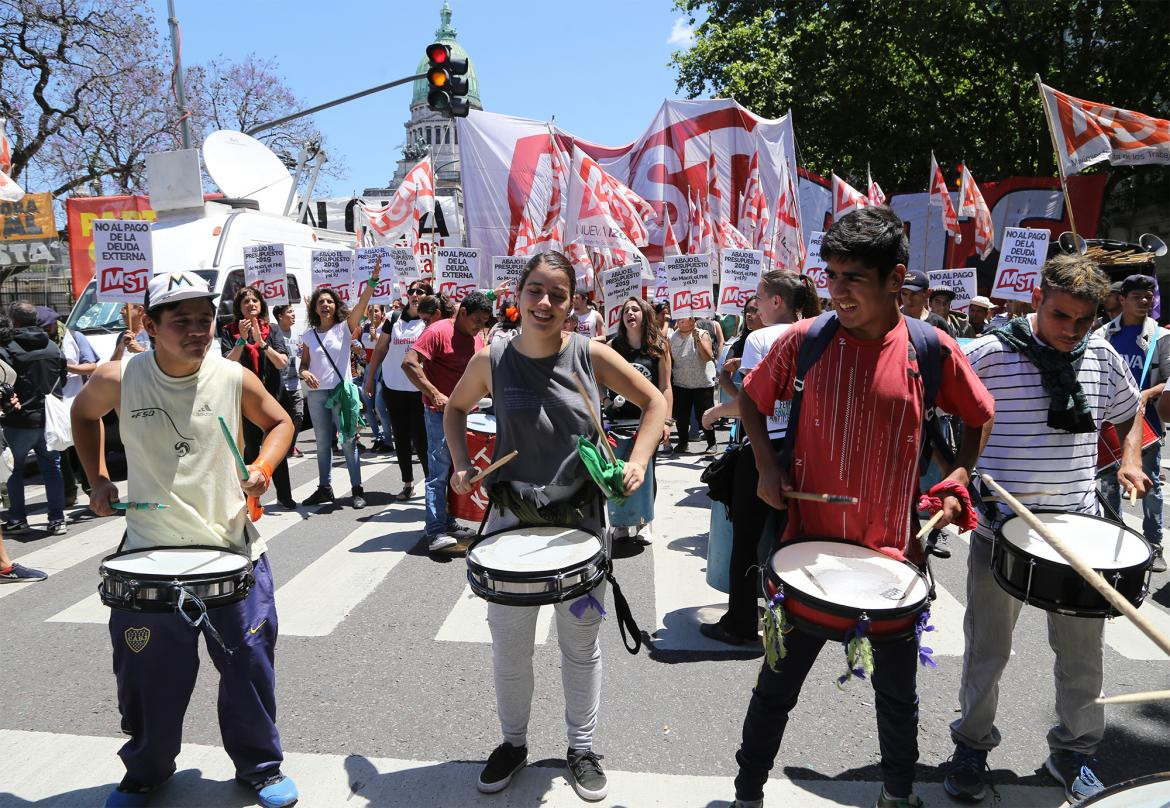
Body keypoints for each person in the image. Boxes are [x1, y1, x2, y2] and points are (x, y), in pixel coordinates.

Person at [729, 207, 995, 808]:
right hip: (806, 556)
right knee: (775, 690)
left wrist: (957, 476)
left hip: (893, 557)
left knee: (898, 700)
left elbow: (980, 415)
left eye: (854, 277)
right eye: (831, 274)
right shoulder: (805, 340)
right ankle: (748, 794)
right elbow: (750, 399)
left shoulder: (931, 349)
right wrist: (768, 468)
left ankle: (898, 796)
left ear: (895, 278)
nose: (838, 289)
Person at [445, 251, 666, 802]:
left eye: (558, 294)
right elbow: (453, 409)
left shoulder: (589, 354)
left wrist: (637, 459)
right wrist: (459, 464)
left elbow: (655, 402)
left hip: (581, 522)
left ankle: (582, 747)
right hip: (510, 521)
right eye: (535, 291)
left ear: (573, 303)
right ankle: (513, 743)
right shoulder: (491, 359)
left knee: (580, 644)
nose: (545, 303)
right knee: (509, 647)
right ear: (516, 296)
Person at [71, 271, 298, 808]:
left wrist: (263, 467)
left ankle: (261, 768)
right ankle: (146, 771)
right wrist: (98, 477)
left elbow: (282, 422)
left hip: (232, 549)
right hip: (150, 552)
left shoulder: (233, 375)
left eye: (204, 320)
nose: (198, 331)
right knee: (146, 679)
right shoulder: (120, 377)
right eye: (182, 322)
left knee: (248, 669)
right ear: (149, 326)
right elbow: (83, 414)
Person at [943, 254, 1150, 804]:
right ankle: (971, 744)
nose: (1072, 331)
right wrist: (959, 479)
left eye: (1084, 320)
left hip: (1077, 526)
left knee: (1082, 654)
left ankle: (1075, 751)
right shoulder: (986, 354)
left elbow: (1130, 415)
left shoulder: (1101, 354)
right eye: (1061, 316)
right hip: (1001, 524)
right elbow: (942, 415)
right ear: (1037, 298)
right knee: (988, 648)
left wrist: (1131, 459)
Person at [698, 271, 818, 646]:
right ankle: (789, 619)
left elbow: (752, 407)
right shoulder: (820, 333)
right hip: (808, 455)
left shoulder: (760, 339)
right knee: (791, 541)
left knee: (746, 539)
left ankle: (740, 621)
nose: (757, 306)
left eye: (761, 298)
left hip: (763, 452)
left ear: (777, 302)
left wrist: (718, 409)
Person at [402, 291, 493, 552]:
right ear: (462, 312)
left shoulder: (477, 336)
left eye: (484, 322)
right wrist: (435, 393)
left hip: (469, 415)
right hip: (438, 414)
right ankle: (434, 531)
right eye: (477, 320)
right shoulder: (437, 331)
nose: (480, 326)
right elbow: (409, 363)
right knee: (439, 473)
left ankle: (448, 521)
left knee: (458, 471)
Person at [1092, 273, 1167, 573]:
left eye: (1149, 297)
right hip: (1110, 425)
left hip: (1146, 428)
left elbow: (1169, 380)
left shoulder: (1160, 337)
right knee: (1109, 485)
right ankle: (1116, 537)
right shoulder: (1102, 335)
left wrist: (1147, 393)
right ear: (1122, 300)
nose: (1145, 301)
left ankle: (1154, 544)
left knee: (1149, 487)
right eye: (1138, 297)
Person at [298, 274, 378, 510]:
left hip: (341, 393)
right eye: (320, 302)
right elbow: (303, 364)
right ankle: (325, 488)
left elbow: (361, 306)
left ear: (336, 306)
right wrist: (304, 373)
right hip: (317, 395)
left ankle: (357, 490)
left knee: (348, 442)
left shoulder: (344, 328)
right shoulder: (309, 335)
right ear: (314, 307)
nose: (325, 305)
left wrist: (371, 281)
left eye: (329, 301)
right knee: (323, 444)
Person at [221, 286, 294, 509]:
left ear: (261, 305)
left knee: (276, 451)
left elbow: (282, 362)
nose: (251, 304)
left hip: (273, 398)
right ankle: (251, 499)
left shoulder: (271, 329)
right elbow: (226, 364)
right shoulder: (228, 330)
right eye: (246, 302)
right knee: (251, 451)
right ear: (239, 307)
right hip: (245, 402)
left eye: (255, 300)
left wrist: (261, 344)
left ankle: (285, 495)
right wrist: (242, 341)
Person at [0, 301, 67, 536]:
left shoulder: (7, 348)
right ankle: (57, 519)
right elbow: (64, 379)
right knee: (52, 468)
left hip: (18, 419)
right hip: (49, 419)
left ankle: (18, 519)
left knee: (13, 470)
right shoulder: (52, 346)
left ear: (13, 321)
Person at [364, 280, 433, 502]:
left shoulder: (430, 322)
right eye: (411, 291)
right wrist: (371, 379)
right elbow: (380, 349)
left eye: (419, 291)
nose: (414, 294)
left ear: (428, 297)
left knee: (422, 440)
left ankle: (432, 484)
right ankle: (407, 483)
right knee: (401, 438)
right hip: (393, 387)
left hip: (419, 390)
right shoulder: (394, 319)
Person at [608, 295, 672, 439]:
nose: (630, 313)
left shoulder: (660, 347)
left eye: (635, 309)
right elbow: (597, 377)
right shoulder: (612, 346)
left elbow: (666, 387)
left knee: (645, 462)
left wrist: (666, 422)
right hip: (619, 422)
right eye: (626, 311)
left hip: (650, 417)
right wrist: (606, 402)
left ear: (645, 315)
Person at [669, 316, 717, 455]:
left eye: (682, 319)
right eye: (678, 319)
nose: (679, 321)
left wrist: (698, 340)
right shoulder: (673, 337)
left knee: (704, 415)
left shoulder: (702, 334)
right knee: (681, 416)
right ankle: (683, 443)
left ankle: (711, 443)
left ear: (691, 320)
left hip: (702, 383)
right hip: (681, 382)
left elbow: (707, 357)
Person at [271, 305, 304, 459]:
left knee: (298, 415)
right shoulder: (273, 333)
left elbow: (303, 354)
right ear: (280, 316)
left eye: (293, 311)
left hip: (295, 382)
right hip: (279, 384)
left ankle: (290, 446)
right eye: (289, 312)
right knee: (279, 419)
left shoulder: (297, 333)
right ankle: (279, 448)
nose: (293, 314)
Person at [359, 304, 392, 453]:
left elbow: (390, 348)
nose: (373, 314)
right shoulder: (364, 327)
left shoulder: (388, 326)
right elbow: (356, 342)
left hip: (382, 369)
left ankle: (388, 440)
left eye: (376, 311)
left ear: (383, 313)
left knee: (379, 406)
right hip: (367, 368)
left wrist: (376, 337)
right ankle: (377, 437)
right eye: (370, 311)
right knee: (366, 406)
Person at [900, 270, 955, 336]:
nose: (908, 300)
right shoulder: (891, 320)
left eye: (914, 294)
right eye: (904, 294)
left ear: (927, 294)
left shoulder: (939, 323)